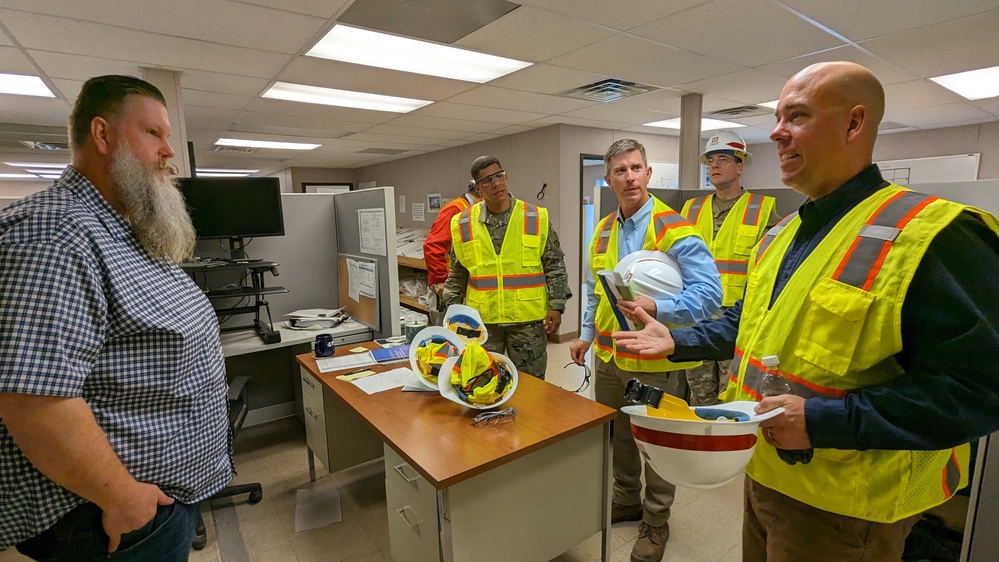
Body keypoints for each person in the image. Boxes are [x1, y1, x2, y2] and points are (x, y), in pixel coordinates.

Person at [613, 61, 999, 562]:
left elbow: (979, 389)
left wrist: (822, 420)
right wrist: (678, 340)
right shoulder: (785, 233)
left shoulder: (933, 235)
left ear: (854, 124)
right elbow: (749, 322)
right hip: (767, 474)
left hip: (846, 506)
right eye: (777, 117)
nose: (775, 132)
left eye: (796, 116)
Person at [0, 75, 233, 560]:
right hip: (111, 519)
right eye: (153, 134)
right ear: (103, 136)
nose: (170, 152)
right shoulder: (56, 234)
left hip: (154, 500)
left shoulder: (124, 228)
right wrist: (123, 498)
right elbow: (33, 400)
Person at [569, 139, 722, 562]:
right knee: (619, 436)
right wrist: (584, 334)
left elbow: (711, 295)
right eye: (620, 170)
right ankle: (626, 499)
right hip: (609, 357)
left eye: (636, 168)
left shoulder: (675, 228)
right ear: (609, 178)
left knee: (656, 442)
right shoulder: (602, 229)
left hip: (656, 362)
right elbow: (593, 290)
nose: (629, 177)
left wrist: (659, 305)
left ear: (649, 174)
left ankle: (656, 519)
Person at [441, 156, 570, 379]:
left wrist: (557, 305)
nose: (496, 184)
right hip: (483, 322)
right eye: (488, 180)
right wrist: (453, 312)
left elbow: (555, 264)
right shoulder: (463, 223)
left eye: (499, 176)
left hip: (527, 321)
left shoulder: (536, 217)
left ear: (506, 177)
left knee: (532, 384)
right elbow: (457, 273)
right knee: (482, 379)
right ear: (477, 188)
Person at [680, 131, 780, 406]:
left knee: (730, 394)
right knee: (699, 394)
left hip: (735, 317)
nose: (714, 165)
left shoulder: (762, 209)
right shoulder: (691, 209)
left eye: (722, 159)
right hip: (696, 311)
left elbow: (771, 267)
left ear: (739, 166)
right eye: (711, 160)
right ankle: (699, 444)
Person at [422, 180, 482, 325]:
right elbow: (432, 245)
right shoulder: (456, 209)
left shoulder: (472, 211)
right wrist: (440, 280)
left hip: (461, 284)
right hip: (446, 285)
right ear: (481, 193)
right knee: (447, 335)